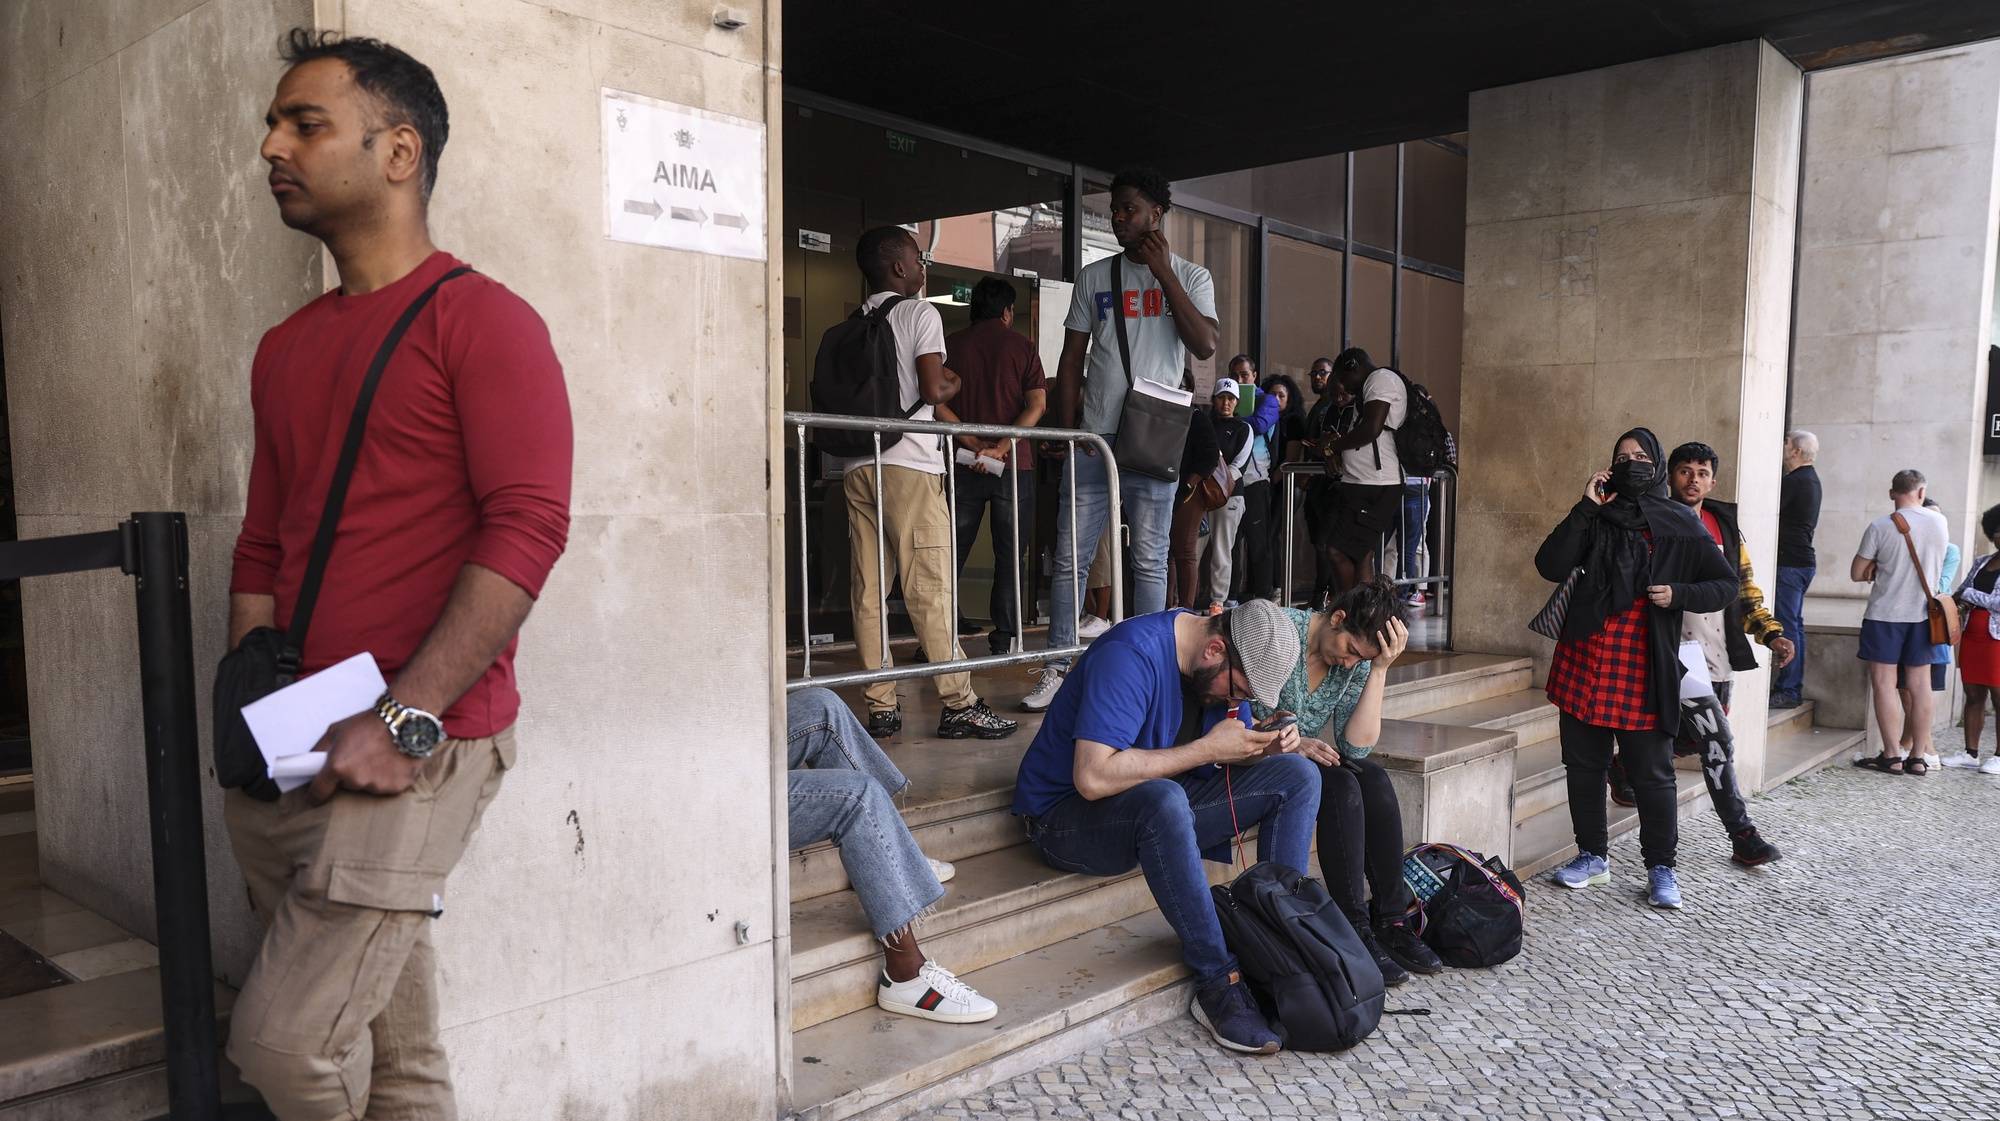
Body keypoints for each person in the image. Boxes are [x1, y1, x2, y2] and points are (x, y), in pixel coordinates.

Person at [226, 31, 574, 1117]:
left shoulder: (484, 323)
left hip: (418, 737)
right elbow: (263, 540)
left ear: (397, 151)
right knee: (396, 1052)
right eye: (275, 125)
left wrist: (402, 720)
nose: (273, 145)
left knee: (284, 1047)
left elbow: (526, 530)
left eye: (306, 123)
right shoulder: (285, 346)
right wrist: (254, 687)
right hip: (296, 736)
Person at [1012, 601, 1319, 1054]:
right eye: (1239, 692)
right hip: (1066, 818)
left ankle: (1280, 951)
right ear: (1215, 649)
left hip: (1164, 802)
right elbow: (1093, 777)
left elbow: (1215, 754)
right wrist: (1205, 750)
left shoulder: (1210, 664)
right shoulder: (1129, 655)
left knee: (1299, 774)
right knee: (1165, 800)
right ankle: (1218, 982)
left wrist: (1264, 748)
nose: (1240, 705)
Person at [1024, 168, 1219, 712]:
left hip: (1154, 435)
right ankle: (1059, 665)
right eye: (1114, 210)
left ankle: (1152, 666)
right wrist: (1069, 431)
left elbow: (1204, 345)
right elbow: (1070, 358)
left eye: (1129, 209)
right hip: (1096, 435)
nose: (1118, 218)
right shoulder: (1094, 277)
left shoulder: (1192, 276)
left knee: (1151, 561)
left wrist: (1163, 274)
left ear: (1157, 214)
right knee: (1069, 558)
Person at [1535, 429, 1736, 910]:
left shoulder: (1679, 522)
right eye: (1622, 457)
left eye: (1641, 456)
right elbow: (1549, 563)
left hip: (1644, 662)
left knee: (1651, 773)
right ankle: (1592, 857)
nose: (1631, 464)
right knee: (1583, 765)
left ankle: (1661, 869)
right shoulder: (1596, 517)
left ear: (1657, 464)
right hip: (1585, 655)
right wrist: (1585, 505)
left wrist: (1679, 594)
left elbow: (1724, 584)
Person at [836, 226, 1017, 741]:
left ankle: (882, 705)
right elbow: (936, 387)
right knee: (930, 587)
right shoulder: (920, 313)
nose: (924, 265)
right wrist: (954, 382)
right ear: (898, 269)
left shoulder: (852, 323)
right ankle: (959, 702)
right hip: (910, 466)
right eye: (918, 258)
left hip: (858, 467)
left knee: (869, 589)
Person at [1252, 578, 1443, 986]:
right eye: (1353, 651)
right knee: (1340, 787)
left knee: (1368, 775)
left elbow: (1354, 749)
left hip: (1297, 760)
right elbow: (1239, 711)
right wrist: (1292, 742)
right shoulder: (1279, 633)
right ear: (1337, 618)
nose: (1349, 663)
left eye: (1362, 659)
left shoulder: (1356, 663)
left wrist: (1378, 670)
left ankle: (1390, 920)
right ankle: (1353, 927)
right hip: (1252, 756)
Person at [1606, 442, 1786, 866]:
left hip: (1719, 651)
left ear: (1713, 480)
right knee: (1718, 741)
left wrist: (1770, 633)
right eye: (1685, 471)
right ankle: (1743, 835)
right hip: (1676, 651)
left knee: (1695, 739)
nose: (1693, 480)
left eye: (1702, 473)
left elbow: (1743, 588)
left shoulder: (1724, 524)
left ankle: (1626, 765)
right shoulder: (1655, 518)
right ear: (1670, 476)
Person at [786, 688, 998, 1023]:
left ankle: (890, 851)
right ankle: (905, 976)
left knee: (822, 705)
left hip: (722, 748)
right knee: (859, 797)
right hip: (703, 783)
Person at [943, 277, 1046, 657]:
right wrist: (1002, 447)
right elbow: (1036, 404)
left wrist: (971, 442)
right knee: (1010, 553)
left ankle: (940, 635)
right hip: (1014, 466)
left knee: (951, 550)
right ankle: (1004, 638)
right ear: (1006, 312)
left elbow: (936, 403)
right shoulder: (1022, 347)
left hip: (963, 461)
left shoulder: (951, 345)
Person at [1851, 469, 1950, 776]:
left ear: (1892, 493)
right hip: (1924, 616)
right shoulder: (1940, 522)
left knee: (1884, 684)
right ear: (1921, 492)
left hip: (1885, 615)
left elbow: (1857, 572)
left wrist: (1880, 565)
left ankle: (1892, 754)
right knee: (1920, 686)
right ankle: (1918, 757)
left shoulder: (1880, 526)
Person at [1317, 348, 1408, 596]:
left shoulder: (1380, 380)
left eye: (1344, 380)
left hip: (1375, 484)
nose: (1345, 388)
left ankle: (1349, 611)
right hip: (1363, 482)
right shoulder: (1370, 385)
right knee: (1361, 555)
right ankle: (1363, 618)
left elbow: (1372, 428)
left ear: (1353, 366)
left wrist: (1334, 446)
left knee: (1336, 551)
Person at [1895, 497, 1959, 769]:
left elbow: (1939, 585)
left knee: (1920, 689)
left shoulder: (1950, 550)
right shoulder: (1905, 544)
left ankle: (1925, 747)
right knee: (1903, 688)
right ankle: (1908, 743)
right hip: (1903, 622)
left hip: (1932, 627)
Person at [1944, 504, 2000, 774]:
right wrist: (1962, 598)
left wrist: (1971, 597)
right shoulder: (1982, 562)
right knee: (1973, 694)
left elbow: (1994, 602)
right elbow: (1962, 589)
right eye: (1996, 531)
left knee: (1998, 697)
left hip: (1996, 639)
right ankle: (1970, 752)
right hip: (1972, 634)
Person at [1771, 431, 1821, 708]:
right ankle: (1790, 687)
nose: (1782, 448)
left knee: (1787, 626)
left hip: (1790, 563)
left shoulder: (1796, 481)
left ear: (1796, 452)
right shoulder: (1809, 479)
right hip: (1799, 563)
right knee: (1794, 626)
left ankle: (1789, 689)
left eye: (1786, 443)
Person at [1229, 356, 1282, 606]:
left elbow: (1260, 425)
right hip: (1230, 480)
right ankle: (1230, 596)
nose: (1239, 380)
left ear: (1254, 375)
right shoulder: (1228, 398)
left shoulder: (1267, 400)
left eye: (1244, 375)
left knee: (1258, 542)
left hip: (1256, 479)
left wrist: (1232, 419)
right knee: (1230, 543)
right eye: (1235, 375)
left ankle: (1263, 596)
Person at [1202, 379, 1254, 612]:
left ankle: (1218, 601)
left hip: (1230, 496)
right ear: (1214, 400)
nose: (1226, 402)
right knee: (1192, 549)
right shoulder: (1205, 425)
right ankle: (1184, 600)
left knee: (1222, 549)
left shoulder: (1244, 428)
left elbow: (1238, 466)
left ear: (1237, 402)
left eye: (1231, 398)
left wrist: (1217, 486)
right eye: (1221, 397)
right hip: (1199, 494)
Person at [1169, 384, 1222, 610]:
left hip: (1191, 491)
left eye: (1181, 386)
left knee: (1184, 550)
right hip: (1167, 486)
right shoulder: (1163, 413)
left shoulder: (1196, 416)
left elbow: (1210, 455)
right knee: (1166, 551)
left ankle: (1186, 608)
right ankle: (1168, 605)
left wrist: (1190, 483)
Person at [1259, 373, 1307, 603]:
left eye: (1282, 395)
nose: (1276, 399)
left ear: (1290, 399)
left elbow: (1290, 460)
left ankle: (1277, 588)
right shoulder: (1263, 419)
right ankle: (1264, 586)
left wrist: (1270, 481)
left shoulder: (1293, 421)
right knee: (1265, 537)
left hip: (1284, 485)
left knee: (1273, 535)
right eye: (1272, 395)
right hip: (1265, 483)